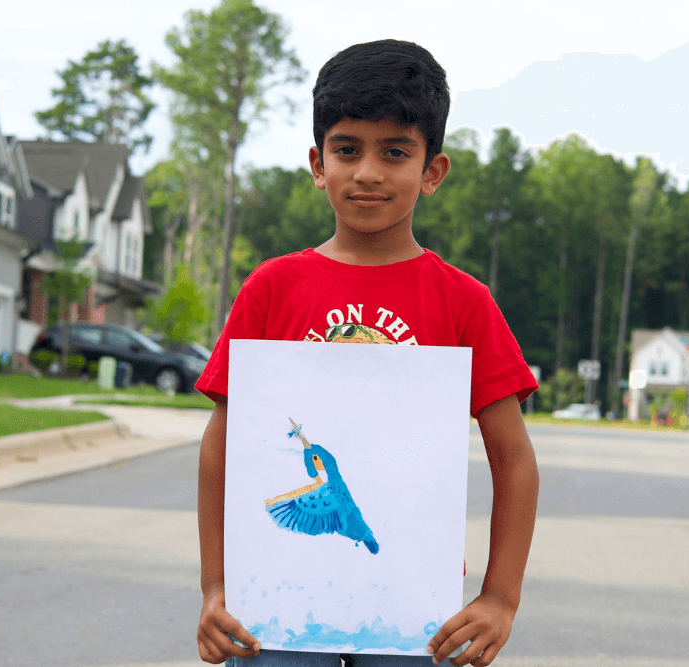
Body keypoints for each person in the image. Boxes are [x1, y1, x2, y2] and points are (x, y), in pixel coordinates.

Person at [195, 39, 540, 667]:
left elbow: (513, 460)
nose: (368, 172)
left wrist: (500, 597)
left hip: (412, 611)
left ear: (432, 171)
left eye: (396, 152)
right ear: (317, 162)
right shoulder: (271, 289)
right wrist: (216, 587)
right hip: (275, 609)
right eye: (347, 149)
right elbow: (223, 447)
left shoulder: (464, 302)